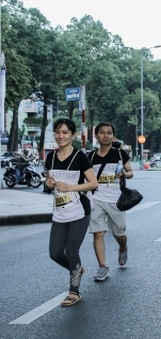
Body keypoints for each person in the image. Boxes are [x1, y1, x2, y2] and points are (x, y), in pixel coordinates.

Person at [43, 118, 98, 306]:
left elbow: (93, 183)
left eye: (65, 132)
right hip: (60, 211)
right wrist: (48, 184)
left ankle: (74, 291)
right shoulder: (50, 157)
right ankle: (77, 269)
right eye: (58, 132)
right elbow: (50, 183)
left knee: (71, 250)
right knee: (56, 253)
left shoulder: (80, 157)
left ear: (72, 135)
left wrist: (70, 187)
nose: (61, 136)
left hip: (80, 210)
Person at [88, 122, 135, 282]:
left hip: (116, 200)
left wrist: (124, 174)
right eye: (102, 132)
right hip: (97, 199)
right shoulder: (91, 157)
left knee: (119, 234)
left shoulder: (120, 154)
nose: (105, 135)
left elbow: (131, 173)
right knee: (98, 233)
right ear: (96, 135)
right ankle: (102, 266)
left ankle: (123, 247)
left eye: (109, 132)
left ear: (112, 136)